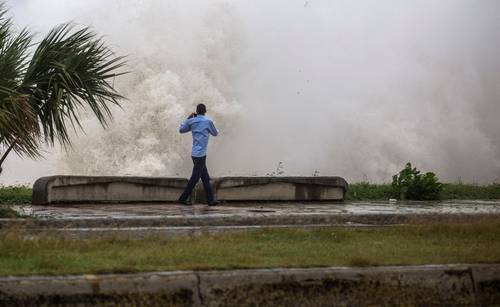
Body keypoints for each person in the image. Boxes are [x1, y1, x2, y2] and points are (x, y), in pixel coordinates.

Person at [178, 103, 219, 206]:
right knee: (195, 178)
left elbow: (181, 130)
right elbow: (215, 133)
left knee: (205, 177)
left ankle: (210, 200)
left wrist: (188, 118)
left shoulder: (192, 121)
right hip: (201, 155)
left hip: (194, 154)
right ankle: (182, 198)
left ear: (196, 111)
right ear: (205, 111)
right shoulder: (208, 121)